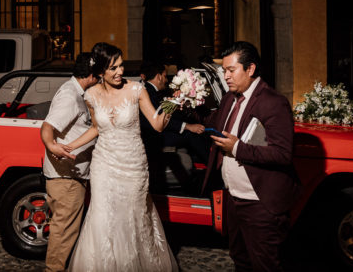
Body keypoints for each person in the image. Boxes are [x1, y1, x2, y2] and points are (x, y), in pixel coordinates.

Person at [64, 42, 179, 271]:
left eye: (120, 65)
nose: (120, 72)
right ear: (100, 72)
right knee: (102, 219)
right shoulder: (90, 95)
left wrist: (172, 102)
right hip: (104, 164)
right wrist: (70, 147)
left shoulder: (136, 89)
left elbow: (157, 125)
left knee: (132, 219)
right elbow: (96, 128)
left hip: (133, 166)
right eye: (113, 68)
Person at [202, 41, 298, 272]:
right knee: (240, 260)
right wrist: (188, 104)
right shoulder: (229, 99)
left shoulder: (273, 102)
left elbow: (283, 154)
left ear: (250, 69)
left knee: (265, 265)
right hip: (234, 199)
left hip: (260, 203)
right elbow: (210, 123)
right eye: (224, 70)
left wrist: (237, 148)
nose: (226, 76)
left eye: (231, 70)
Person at [39, 53, 99, 272]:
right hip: (65, 177)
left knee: (66, 230)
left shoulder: (77, 92)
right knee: (63, 232)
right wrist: (51, 145)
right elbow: (48, 126)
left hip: (73, 174)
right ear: (92, 76)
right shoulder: (70, 95)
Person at [139, 61, 210, 189]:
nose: (166, 80)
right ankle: (211, 168)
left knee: (194, 131)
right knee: (191, 135)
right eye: (165, 76)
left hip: (159, 131)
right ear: (159, 76)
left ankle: (201, 169)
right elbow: (159, 118)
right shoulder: (148, 92)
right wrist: (188, 126)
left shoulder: (154, 91)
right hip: (154, 136)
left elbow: (166, 112)